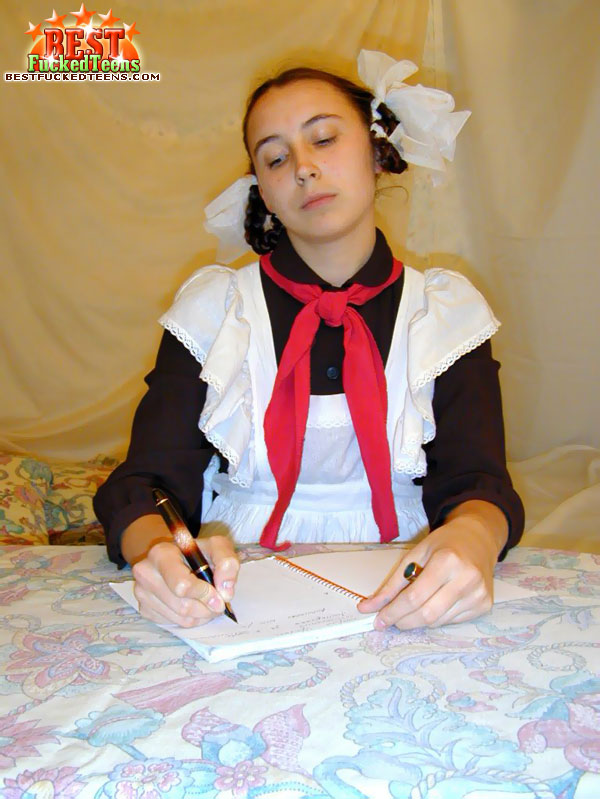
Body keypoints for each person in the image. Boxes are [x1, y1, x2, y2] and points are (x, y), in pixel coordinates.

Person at [94, 50, 524, 633]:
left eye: (323, 139)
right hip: (237, 598)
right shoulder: (216, 312)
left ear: (377, 151)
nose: (302, 168)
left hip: (410, 589)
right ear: (263, 193)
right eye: (275, 158)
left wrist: (473, 537)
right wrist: (157, 553)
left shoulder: (444, 315)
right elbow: (147, 484)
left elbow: (478, 482)